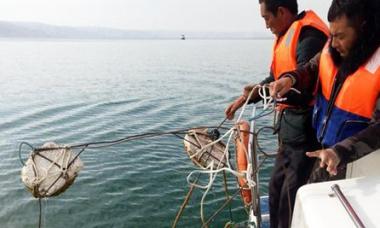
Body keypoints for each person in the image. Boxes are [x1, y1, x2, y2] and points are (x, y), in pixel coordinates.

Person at [224, 0, 328, 227]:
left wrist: (273, 91)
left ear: (281, 12)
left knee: (289, 199)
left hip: (305, 135)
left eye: (266, 18)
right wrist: (245, 98)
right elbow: (274, 79)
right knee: (274, 191)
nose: (266, 25)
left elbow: (305, 86)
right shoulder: (286, 36)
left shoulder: (309, 37)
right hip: (288, 135)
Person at [270, 0, 380, 179]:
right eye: (332, 35)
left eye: (341, 36)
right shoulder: (335, 48)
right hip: (324, 152)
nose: (334, 44)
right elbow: (313, 66)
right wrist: (291, 79)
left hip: (354, 165)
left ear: (364, 28)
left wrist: (340, 152)